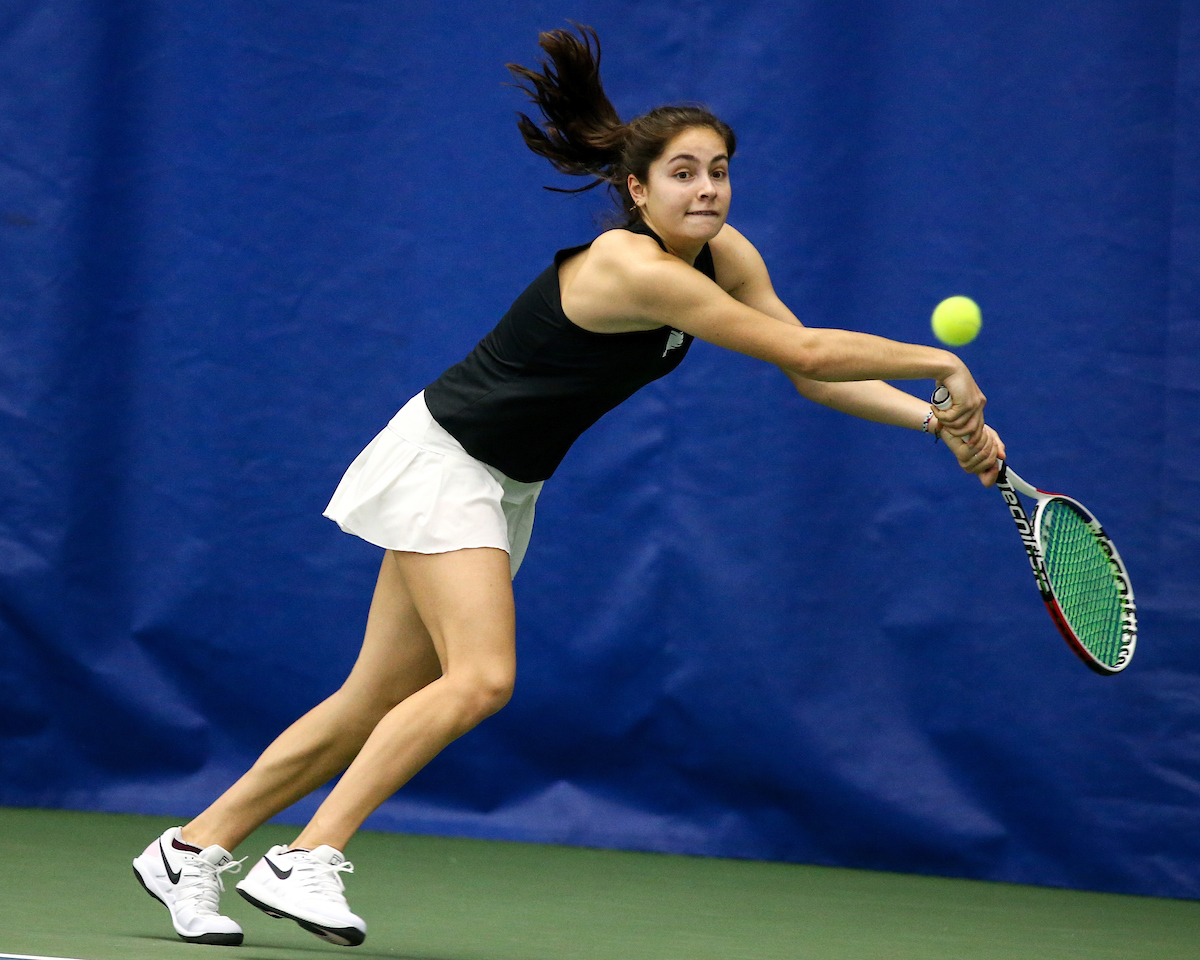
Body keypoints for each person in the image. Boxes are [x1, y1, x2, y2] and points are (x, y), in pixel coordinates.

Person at [131, 24, 1004, 948]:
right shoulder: (634, 268)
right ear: (637, 190)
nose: (707, 188)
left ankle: (190, 850)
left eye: (718, 171)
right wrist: (942, 367)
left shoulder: (727, 255)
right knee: (481, 679)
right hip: (446, 460)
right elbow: (809, 350)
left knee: (371, 698)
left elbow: (809, 378)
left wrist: (936, 424)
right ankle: (308, 855)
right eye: (683, 173)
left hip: (503, 481)